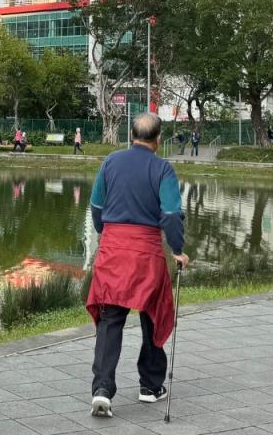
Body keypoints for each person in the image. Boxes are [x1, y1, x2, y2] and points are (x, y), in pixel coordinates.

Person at [87, 112, 190, 418]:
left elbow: (96, 206)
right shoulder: (162, 169)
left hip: (114, 250)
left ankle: (102, 389)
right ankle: (150, 386)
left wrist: (108, 233)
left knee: (111, 318)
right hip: (145, 251)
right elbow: (171, 215)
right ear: (158, 139)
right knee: (152, 314)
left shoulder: (110, 162)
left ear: (130, 134)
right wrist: (178, 249)